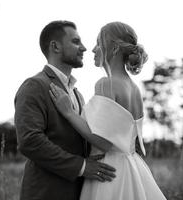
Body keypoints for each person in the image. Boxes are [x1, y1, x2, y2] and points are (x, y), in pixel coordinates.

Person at [49, 21, 167, 200]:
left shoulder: (107, 84)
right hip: (133, 167)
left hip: (109, 171)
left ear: (113, 49)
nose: (93, 49)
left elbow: (103, 142)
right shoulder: (134, 88)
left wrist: (68, 112)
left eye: (99, 43)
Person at [14, 20, 116, 200]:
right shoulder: (34, 86)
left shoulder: (78, 94)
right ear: (55, 46)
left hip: (78, 192)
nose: (84, 48)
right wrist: (82, 167)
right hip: (46, 193)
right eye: (76, 41)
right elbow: (29, 141)